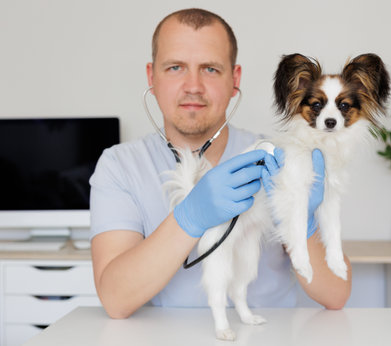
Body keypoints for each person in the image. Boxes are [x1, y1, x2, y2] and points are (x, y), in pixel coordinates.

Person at [89, 8, 352, 319]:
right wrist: (189, 218)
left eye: (210, 69)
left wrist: (303, 226)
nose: (193, 86)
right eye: (175, 67)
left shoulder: (277, 157)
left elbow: (336, 294)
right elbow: (116, 300)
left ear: (234, 79)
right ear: (151, 76)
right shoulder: (120, 166)